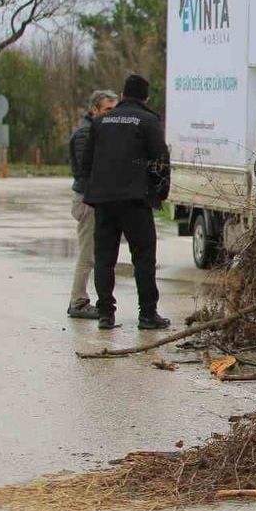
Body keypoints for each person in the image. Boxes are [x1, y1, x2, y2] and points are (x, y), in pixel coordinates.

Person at [80, 74, 172, 330]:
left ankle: (105, 315)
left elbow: (86, 163)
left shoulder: (100, 122)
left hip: (104, 201)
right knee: (143, 258)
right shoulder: (149, 121)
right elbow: (160, 162)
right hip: (135, 201)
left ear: (121, 96)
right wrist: (160, 193)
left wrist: (95, 188)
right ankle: (147, 315)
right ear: (146, 98)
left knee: (104, 259)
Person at [67, 90, 119, 319]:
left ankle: (81, 300)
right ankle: (77, 302)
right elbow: (85, 168)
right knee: (87, 255)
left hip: (94, 198)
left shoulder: (96, 130)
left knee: (94, 254)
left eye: (114, 109)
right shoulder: (86, 132)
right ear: (95, 110)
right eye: (108, 109)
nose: (112, 114)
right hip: (87, 200)